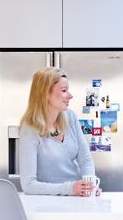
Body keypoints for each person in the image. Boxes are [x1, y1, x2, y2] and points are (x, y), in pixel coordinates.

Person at [17, 67, 96, 196]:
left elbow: (85, 159)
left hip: (76, 200)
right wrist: (70, 189)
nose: (70, 96)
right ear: (45, 94)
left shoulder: (70, 117)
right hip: (47, 204)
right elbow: (28, 185)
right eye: (64, 91)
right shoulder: (30, 128)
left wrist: (89, 185)